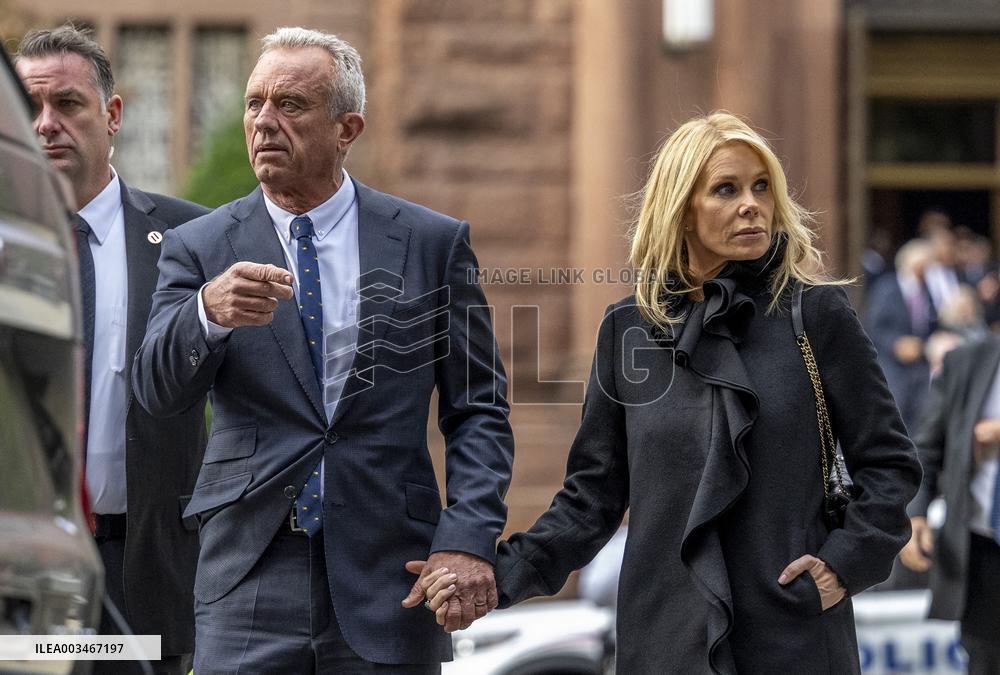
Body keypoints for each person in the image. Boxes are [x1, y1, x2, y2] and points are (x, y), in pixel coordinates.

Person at [417, 112, 921, 673]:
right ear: (681, 210)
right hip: (665, 636)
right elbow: (593, 497)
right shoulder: (628, 329)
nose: (752, 204)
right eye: (725, 190)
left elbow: (889, 465)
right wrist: (495, 578)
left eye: (761, 187)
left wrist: (842, 566)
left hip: (791, 630)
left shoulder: (817, 315)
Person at [131, 26, 514, 673]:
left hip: (394, 573)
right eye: (255, 103)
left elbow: (478, 409)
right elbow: (154, 390)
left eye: (291, 104)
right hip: (247, 574)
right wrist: (206, 313)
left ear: (348, 129)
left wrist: (469, 539)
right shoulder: (198, 246)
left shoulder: (430, 244)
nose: (264, 121)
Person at [14, 25, 208, 675]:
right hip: (16, 570)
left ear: (112, 114)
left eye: (67, 104)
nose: (45, 124)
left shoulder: (191, 238)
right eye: (27, 107)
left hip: (141, 571)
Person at [900, 339, 1000, 674]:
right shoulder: (965, 362)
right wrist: (916, 515)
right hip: (983, 550)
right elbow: (927, 448)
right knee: (985, 662)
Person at [864, 239, 936, 433]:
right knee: (894, 421)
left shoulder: (928, 291)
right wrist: (895, 344)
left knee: (919, 421)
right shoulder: (887, 287)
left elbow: (932, 325)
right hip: (893, 367)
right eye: (925, 263)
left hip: (920, 366)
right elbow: (873, 326)